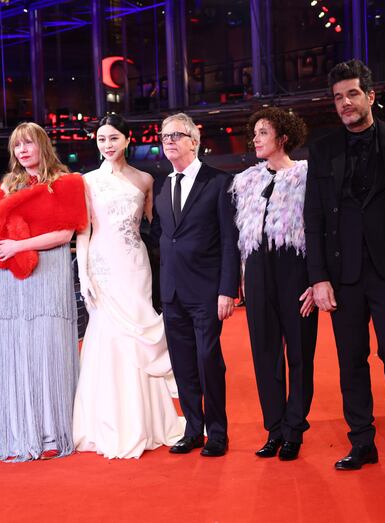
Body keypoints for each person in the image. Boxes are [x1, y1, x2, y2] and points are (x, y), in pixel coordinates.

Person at [304, 59, 385, 474]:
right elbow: (312, 218)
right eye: (338, 97)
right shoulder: (323, 149)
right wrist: (318, 278)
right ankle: (362, 442)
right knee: (350, 360)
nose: (345, 103)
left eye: (352, 94)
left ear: (370, 96)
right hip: (342, 274)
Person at [73, 114, 184, 459]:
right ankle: (107, 423)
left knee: (138, 333)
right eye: (101, 139)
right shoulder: (85, 181)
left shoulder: (146, 179)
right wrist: (84, 275)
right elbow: (84, 231)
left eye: (113, 138)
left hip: (135, 266)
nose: (107, 145)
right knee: (107, 338)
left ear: (127, 140)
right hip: (102, 268)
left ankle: (149, 421)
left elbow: (155, 228)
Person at [0, 122, 87, 462]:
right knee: (18, 352)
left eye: (29, 143)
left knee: (50, 349)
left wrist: (19, 245)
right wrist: (12, 251)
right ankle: (20, 432)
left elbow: (64, 233)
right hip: (12, 281)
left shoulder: (68, 183)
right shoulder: (2, 188)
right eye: (17, 146)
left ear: (43, 145)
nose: (23, 150)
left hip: (51, 271)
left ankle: (53, 432)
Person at [230, 107, 317, 461]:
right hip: (258, 272)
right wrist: (241, 279)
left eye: (262, 133)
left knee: (299, 352)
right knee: (264, 353)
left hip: (294, 271)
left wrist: (315, 280)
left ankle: (295, 429)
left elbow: (316, 231)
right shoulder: (246, 180)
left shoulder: (306, 176)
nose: (255, 139)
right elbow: (241, 237)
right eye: (255, 133)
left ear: (282, 137)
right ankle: (275, 428)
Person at [151, 113, 240, 457]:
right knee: (183, 363)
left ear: (193, 140)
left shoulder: (219, 182)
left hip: (207, 291)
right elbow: (162, 240)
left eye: (175, 135)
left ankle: (218, 432)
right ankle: (192, 429)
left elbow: (229, 241)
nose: (168, 141)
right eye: (164, 136)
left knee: (208, 360)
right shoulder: (162, 186)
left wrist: (227, 289)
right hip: (172, 292)